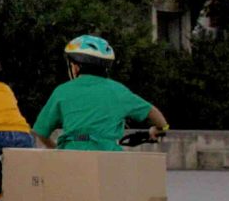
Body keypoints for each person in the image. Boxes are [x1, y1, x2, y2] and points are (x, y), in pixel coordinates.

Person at [31, 35, 168, 151]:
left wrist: (56, 150)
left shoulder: (62, 91)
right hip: (108, 155)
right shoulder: (118, 90)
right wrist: (161, 129)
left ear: (76, 67)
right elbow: (153, 113)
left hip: (71, 153)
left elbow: (40, 131)